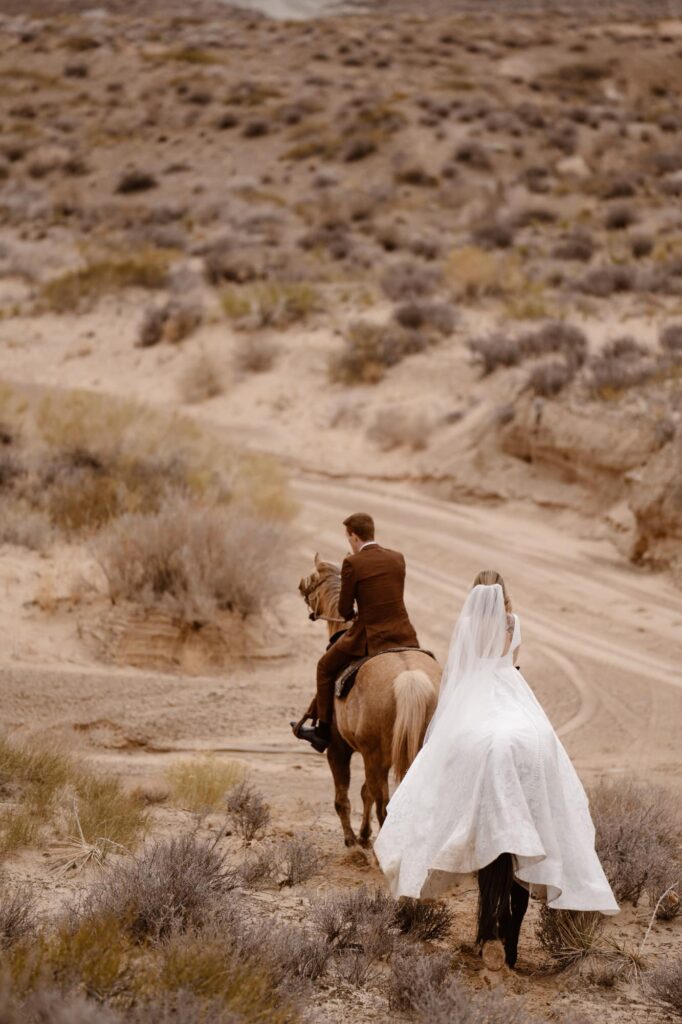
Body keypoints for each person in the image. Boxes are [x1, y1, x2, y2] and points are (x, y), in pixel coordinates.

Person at [373, 570, 618, 968]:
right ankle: (511, 943)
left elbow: (463, 671)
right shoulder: (513, 623)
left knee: (439, 764)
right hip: (511, 696)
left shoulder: (468, 625)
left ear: (473, 596)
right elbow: (511, 664)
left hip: (476, 699)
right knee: (543, 766)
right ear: (505, 597)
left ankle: (482, 921)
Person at [292, 512, 420, 753]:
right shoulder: (397, 558)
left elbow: (343, 609)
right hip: (404, 633)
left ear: (353, 535)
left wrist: (352, 616)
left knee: (324, 667)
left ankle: (321, 732)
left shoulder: (353, 563)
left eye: (348, 537)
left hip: (369, 636)